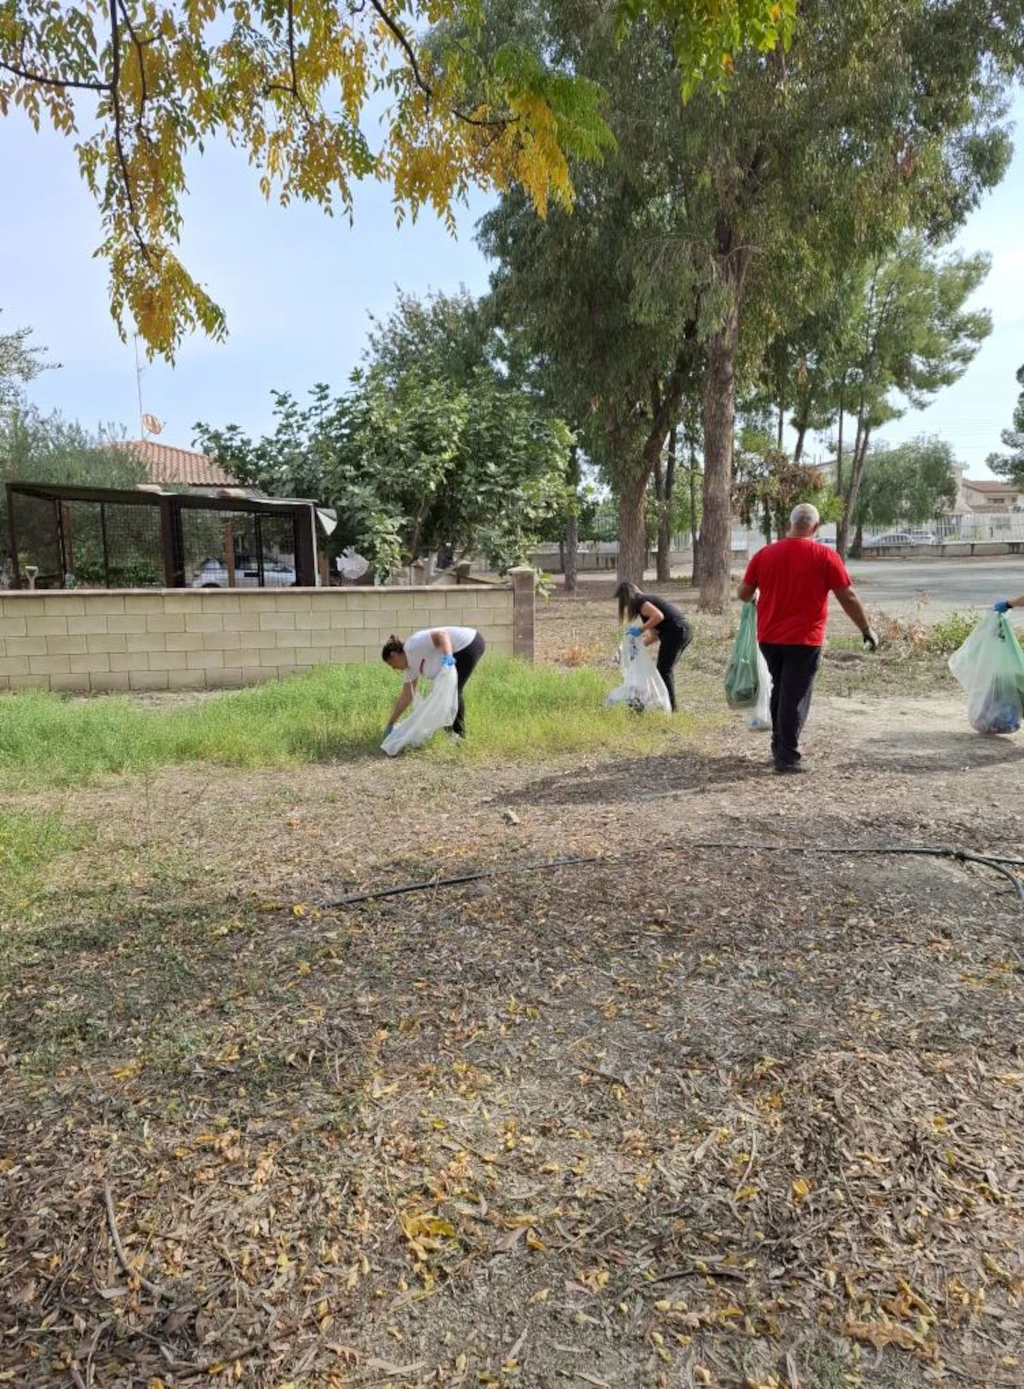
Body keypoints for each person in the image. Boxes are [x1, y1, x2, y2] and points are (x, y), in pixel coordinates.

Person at [737, 503, 879, 774]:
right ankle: (787, 758)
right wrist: (865, 628)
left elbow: (744, 593)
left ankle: (778, 746)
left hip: (769, 638)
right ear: (815, 527)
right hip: (804, 640)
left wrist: (760, 593)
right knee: (794, 696)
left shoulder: (765, 554)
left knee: (781, 688)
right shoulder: (824, 556)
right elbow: (847, 596)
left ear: (790, 524)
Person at [382, 625, 485, 740]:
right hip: (461, 648)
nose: (394, 668)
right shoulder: (410, 669)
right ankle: (452, 734)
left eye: (391, 664)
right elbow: (406, 696)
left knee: (453, 691)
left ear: (393, 655)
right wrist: (391, 723)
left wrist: (448, 656)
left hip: (468, 643)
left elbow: (441, 635)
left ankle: (458, 737)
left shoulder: (413, 645)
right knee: (446, 693)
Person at [614, 581, 693, 712]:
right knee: (665, 669)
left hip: (677, 631)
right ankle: (668, 706)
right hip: (682, 631)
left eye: (624, 602)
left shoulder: (640, 600)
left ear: (627, 597)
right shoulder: (644, 608)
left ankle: (672, 709)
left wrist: (640, 630)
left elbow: (658, 616)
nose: (626, 606)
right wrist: (631, 646)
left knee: (664, 670)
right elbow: (654, 636)